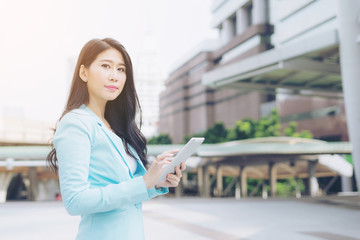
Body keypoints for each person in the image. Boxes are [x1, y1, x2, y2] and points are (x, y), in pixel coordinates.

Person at [46, 38, 185, 240]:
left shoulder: (116, 128)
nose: (115, 76)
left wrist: (156, 182)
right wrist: (143, 182)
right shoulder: (76, 123)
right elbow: (75, 200)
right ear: (83, 73)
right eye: (105, 66)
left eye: (121, 70)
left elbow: (127, 192)